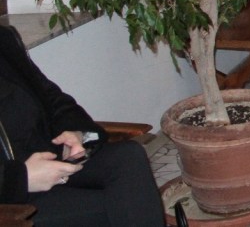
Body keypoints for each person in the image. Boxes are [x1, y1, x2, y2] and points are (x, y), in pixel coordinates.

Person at [0, 26, 164, 226]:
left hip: (49, 161)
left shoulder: (3, 39)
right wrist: (21, 179)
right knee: (127, 204)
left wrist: (77, 133)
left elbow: (53, 99)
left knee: (128, 156)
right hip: (11, 198)